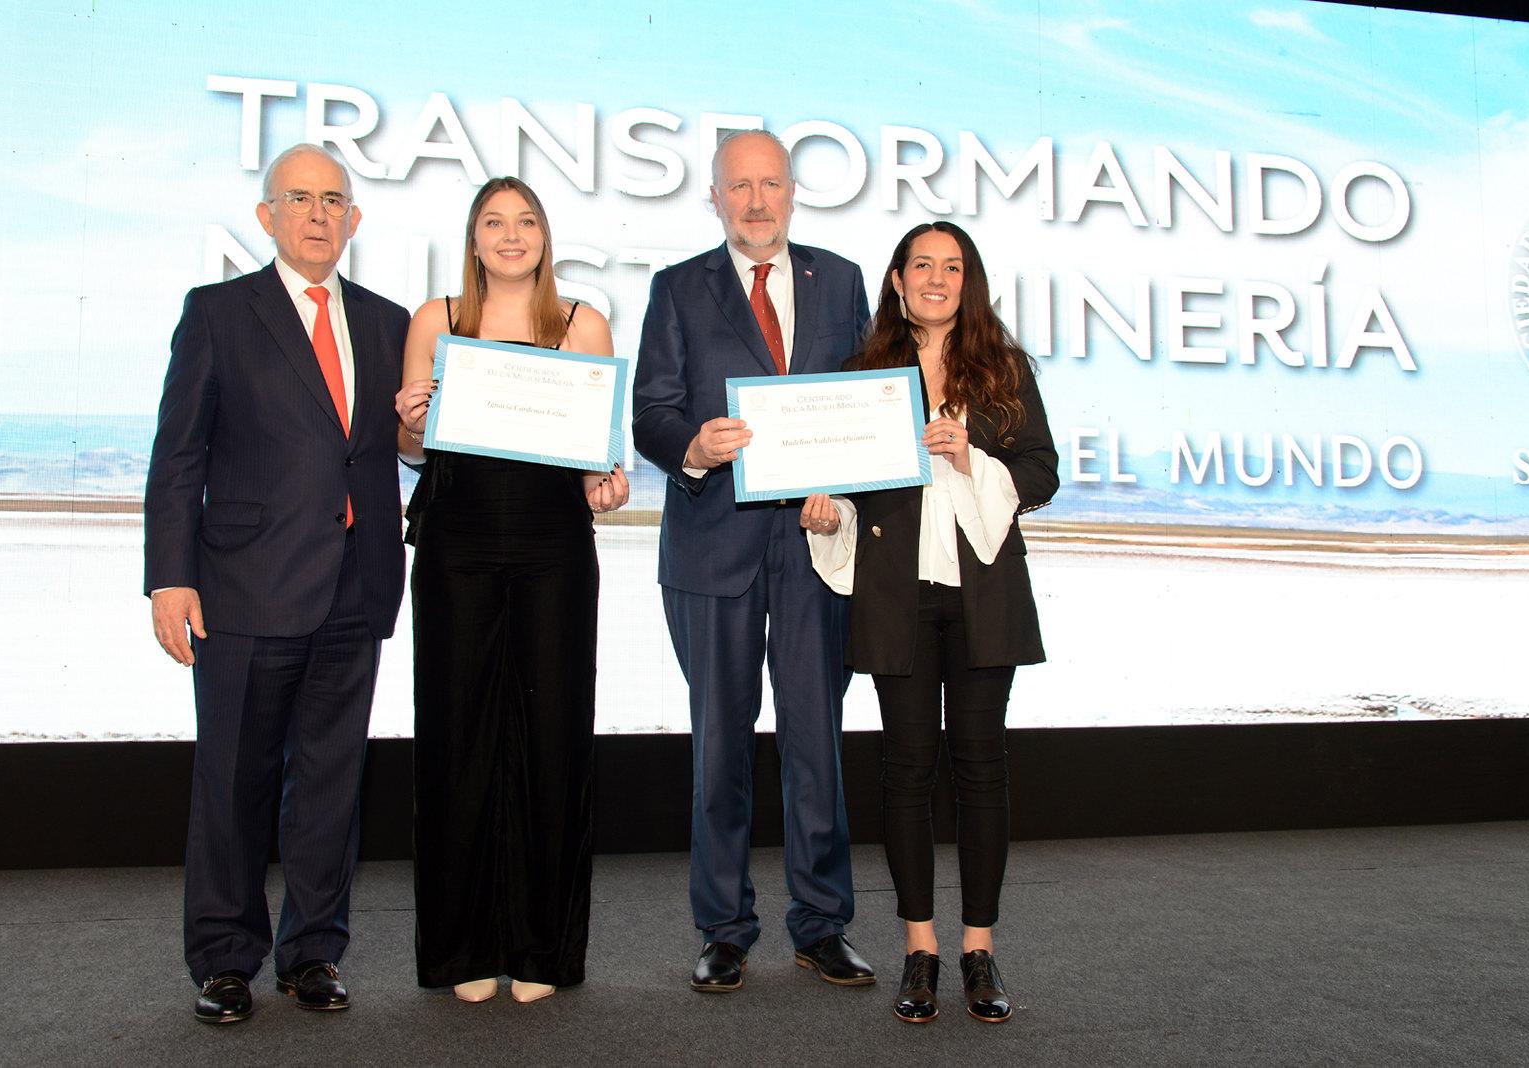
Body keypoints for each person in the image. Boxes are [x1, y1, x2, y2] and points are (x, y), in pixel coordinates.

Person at [144, 144, 411, 1024]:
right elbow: (178, 455)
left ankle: (311, 953)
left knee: (332, 783)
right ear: (267, 216)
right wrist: (169, 579)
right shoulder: (219, 312)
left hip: (355, 585)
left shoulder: (386, 321)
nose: (318, 214)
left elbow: (390, 450)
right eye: (299, 198)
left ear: (355, 221)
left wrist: (418, 434)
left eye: (334, 200)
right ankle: (225, 960)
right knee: (233, 781)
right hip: (244, 588)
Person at [632, 129, 875, 992]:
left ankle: (822, 923)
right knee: (719, 750)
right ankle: (725, 928)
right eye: (741, 187)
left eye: (771, 183)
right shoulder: (675, 289)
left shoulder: (843, 281)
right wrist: (693, 448)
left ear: (794, 192)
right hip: (712, 548)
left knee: (817, 746)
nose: (758, 201)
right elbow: (650, 412)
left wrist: (843, 492)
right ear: (715, 197)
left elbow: (870, 405)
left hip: (813, 549)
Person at [802, 222, 1058, 1024]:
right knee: (906, 772)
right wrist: (826, 510)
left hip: (984, 595)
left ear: (968, 280)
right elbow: (844, 483)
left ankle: (978, 950)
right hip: (897, 597)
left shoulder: (1004, 369)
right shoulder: (864, 372)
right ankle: (922, 949)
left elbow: (1043, 473)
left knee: (982, 771)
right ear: (898, 278)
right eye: (924, 265)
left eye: (954, 266)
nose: (938, 278)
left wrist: (970, 454)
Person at [394, 176, 627, 1006]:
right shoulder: (437, 320)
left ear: (545, 236)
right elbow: (413, 448)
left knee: (553, 744)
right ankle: (460, 951)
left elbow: (601, 454)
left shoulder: (580, 323)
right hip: (456, 548)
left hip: (554, 550)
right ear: (474, 236)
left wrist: (610, 479)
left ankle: (540, 949)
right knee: (455, 742)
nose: (511, 234)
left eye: (526, 220)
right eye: (495, 221)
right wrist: (412, 421)